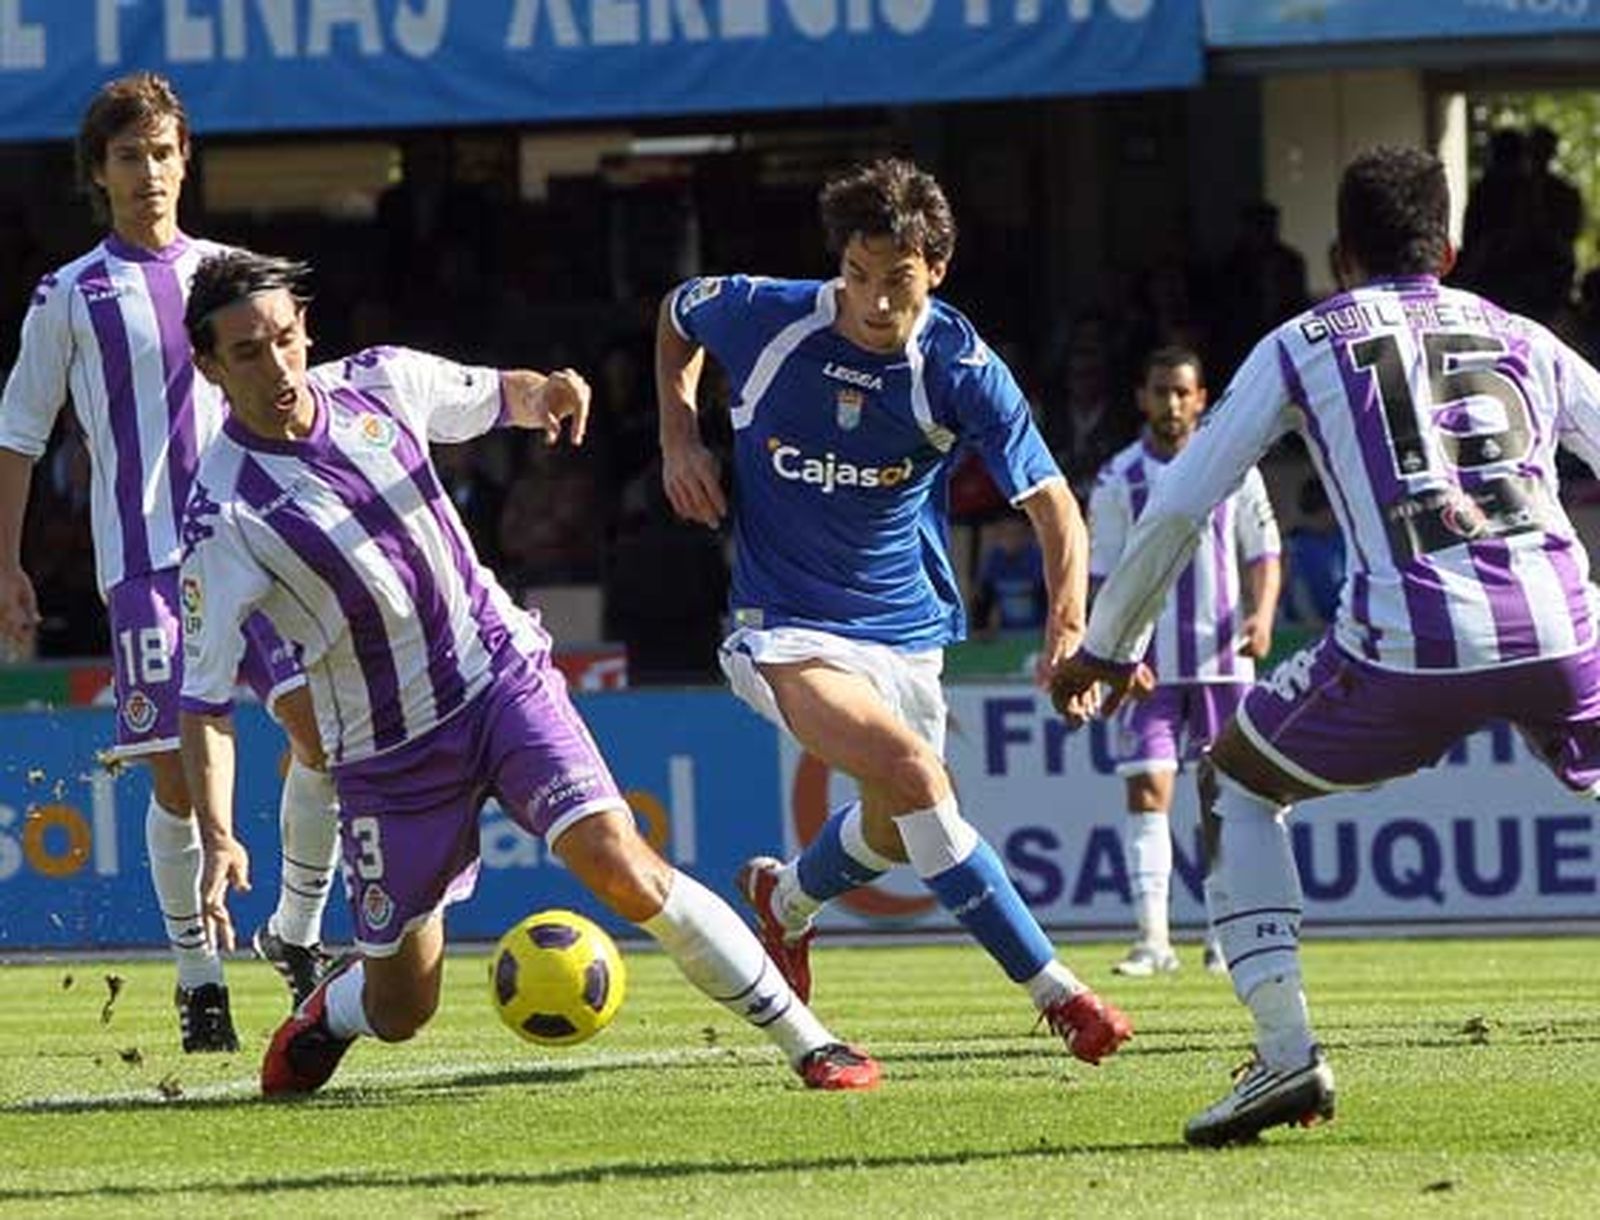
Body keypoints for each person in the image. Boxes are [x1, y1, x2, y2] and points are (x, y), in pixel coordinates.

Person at [177, 248, 880, 1096]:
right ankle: (333, 1011)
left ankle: (812, 1044)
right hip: (389, 753)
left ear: (305, 330)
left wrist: (548, 391)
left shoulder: (380, 383)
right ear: (211, 368)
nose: (277, 366)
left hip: (499, 677)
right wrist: (219, 833)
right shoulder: (221, 512)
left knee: (620, 862)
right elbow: (203, 701)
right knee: (403, 1007)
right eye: (248, 352)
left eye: (285, 338)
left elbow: (498, 395)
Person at [1051, 145, 1600, 1145]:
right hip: (1563, 625)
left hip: (1408, 645)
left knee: (1234, 782)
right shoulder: (1522, 334)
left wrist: (1107, 642)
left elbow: (1181, 503)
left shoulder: (1305, 340)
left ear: (1339, 256)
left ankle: (1285, 1050)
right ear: (1450, 248)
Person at [656, 157, 1133, 1066]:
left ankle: (786, 900)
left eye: (899, 282)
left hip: (905, 632)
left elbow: (1055, 508)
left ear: (937, 271)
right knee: (915, 774)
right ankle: (1061, 995)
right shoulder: (767, 316)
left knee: (892, 828)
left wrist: (1066, 629)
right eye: (858, 275)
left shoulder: (960, 367)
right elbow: (678, 316)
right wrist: (679, 438)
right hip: (781, 626)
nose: (874, 302)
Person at [0, 73, 340, 1051]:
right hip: (148, 568)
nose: (147, 171)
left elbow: (294, 396)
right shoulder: (70, 294)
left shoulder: (232, 278)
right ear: (97, 173)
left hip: (262, 546)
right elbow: (19, 432)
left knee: (322, 739)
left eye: (161, 152)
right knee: (178, 783)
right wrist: (8, 564)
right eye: (128, 156)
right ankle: (198, 980)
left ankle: (296, 932)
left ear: (185, 159)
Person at [1087, 346, 1280, 978]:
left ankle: (1224, 936)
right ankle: (1152, 941)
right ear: (1142, 398)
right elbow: (1103, 572)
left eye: (1182, 392)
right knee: (1147, 790)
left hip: (1224, 662)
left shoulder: (1237, 467)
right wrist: (1111, 651)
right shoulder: (1119, 478)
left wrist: (1262, 616)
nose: (1171, 404)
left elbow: (1263, 551)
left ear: (1201, 399)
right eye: (1161, 392)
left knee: (1225, 800)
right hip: (1148, 666)